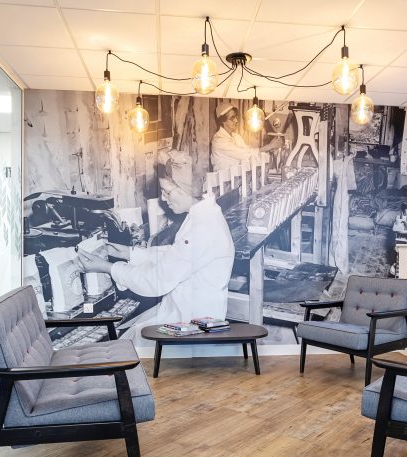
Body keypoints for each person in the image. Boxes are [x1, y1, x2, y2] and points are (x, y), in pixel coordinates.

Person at [77, 167, 235, 336]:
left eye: (167, 192)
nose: (163, 198)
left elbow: (154, 281)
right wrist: (131, 253)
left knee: (128, 341)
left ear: (184, 189)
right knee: (132, 330)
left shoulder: (202, 227)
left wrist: (107, 267)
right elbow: (177, 253)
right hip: (193, 311)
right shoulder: (206, 212)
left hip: (194, 325)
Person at [210, 103, 280, 171]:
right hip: (223, 181)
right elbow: (244, 154)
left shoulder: (236, 137)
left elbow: (250, 152)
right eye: (232, 118)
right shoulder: (218, 140)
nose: (236, 120)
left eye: (236, 117)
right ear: (223, 121)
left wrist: (269, 150)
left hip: (236, 179)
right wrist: (269, 146)